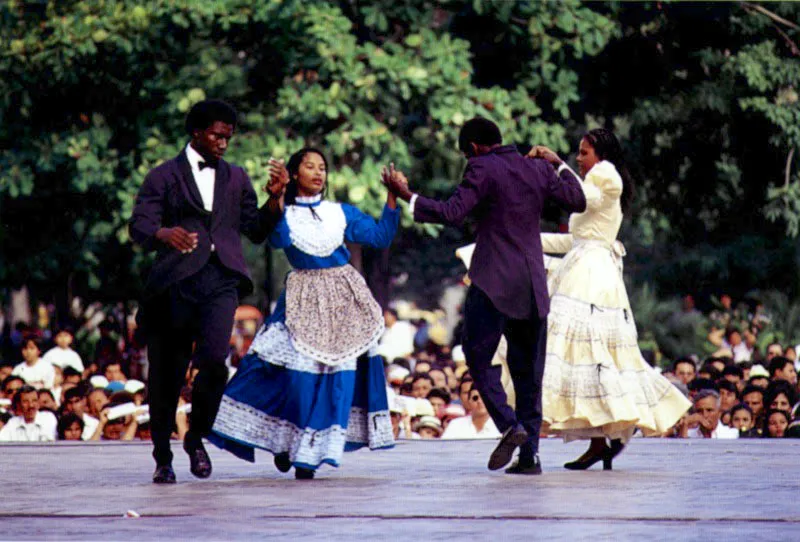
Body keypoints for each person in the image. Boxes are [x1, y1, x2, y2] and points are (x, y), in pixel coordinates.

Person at [382, 117, 587, 475]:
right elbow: (578, 199)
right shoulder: (537, 168)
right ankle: (530, 457)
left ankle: (510, 426)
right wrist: (558, 163)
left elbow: (451, 212)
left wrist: (407, 195)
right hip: (532, 284)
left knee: (477, 354)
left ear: (474, 148)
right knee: (529, 376)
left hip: (494, 281)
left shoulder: (481, 167)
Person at [210, 147, 399, 480]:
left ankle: (307, 456)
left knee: (336, 378)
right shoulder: (286, 214)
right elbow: (278, 239)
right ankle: (285, 443)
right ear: (295, 174)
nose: (318, 172)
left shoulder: (341, 212)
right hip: (302, 298)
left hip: (343, 300)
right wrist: (278, 196)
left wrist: (393, 196)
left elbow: (380, 236)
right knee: (287, 373)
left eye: (323, 167)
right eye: (310, 166)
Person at [129, 99, 284, 484]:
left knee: (215, 361)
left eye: (228, 137)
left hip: (221, 280)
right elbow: (140, 226)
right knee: (167, 373)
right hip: (174, 284)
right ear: (195, 132)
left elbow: (255, 229)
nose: (223, 143)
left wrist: (276, 198)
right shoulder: (163, 176)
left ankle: (196, 436)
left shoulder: (236, 177)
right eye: (216, 135)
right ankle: (162, 456)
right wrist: (164, 233)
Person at [530, 129, 691, 469]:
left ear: (600, 154)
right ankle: (601, 441)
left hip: (592, 278)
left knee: (588, 355)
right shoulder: (598, 180)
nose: (579, 157)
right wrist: (526, 239)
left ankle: (610, 435)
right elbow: (575, 239)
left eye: (584, 152)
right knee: (591, 358)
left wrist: (557, 164)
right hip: (584, 268)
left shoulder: (606, 174)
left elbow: (580, 198)